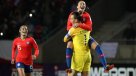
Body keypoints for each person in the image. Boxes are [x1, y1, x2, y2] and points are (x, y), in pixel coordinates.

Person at [65, 0, 114, 74]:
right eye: (81, 4)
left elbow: (90, 28)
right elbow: (68, 27)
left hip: (85, 36)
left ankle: (105, 66)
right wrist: (74, 28)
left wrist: (79, 25)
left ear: (85, 7)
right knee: (69, 45)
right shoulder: (73, 15)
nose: (83, 5)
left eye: (84, 4)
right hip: (75, 35)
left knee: (97, 47)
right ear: (77, 6)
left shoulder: (87, 15)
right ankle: (69, 67)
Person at [64, 11, 92, 76]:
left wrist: (70, 35)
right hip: (88, 56)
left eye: (71, 19)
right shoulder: (86, 27)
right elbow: (89, 28)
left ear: (76, 20)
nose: (70, 20)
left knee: (71, 74)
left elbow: (65, 39)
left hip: (78, 56)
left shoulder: (73, 29)